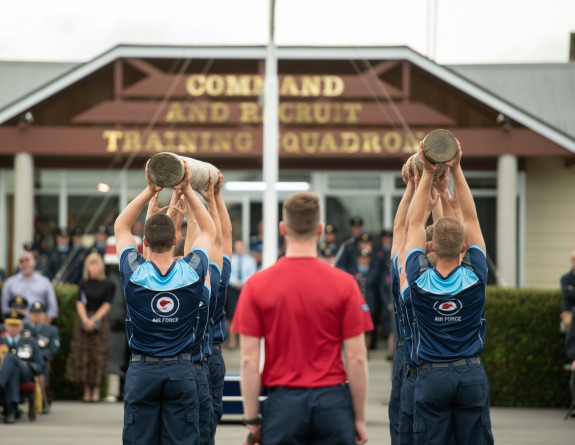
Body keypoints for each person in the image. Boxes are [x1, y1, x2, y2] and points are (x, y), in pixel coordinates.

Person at [232, 192, 372, 445]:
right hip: (332, 404)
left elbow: (250, 360)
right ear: (319, 230)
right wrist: (359, 418)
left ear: (283, 229)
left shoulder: (256, 286)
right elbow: (357, 357)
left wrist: (252, 421)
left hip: (283, 406)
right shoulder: (345, 284)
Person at [399, 141, 494, 444]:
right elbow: (471, 218)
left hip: (433, 378)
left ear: (431, 248)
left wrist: (425, 174)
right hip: (470, 374)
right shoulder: (475, 275)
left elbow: (413, 223)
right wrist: (456, 168)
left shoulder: (418, 279)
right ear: (464, 248)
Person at [115, 161, 215, 444]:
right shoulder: (191, 271)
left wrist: (151, 190)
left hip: (142, 370)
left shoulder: (135, 271)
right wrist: (187, 189)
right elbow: (208, 232)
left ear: (144, 241)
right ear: (175, 239)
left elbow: (121, 225)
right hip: (181, 371)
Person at [65, 252, 114, 403]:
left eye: (96, 264)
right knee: (84, 355)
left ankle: (96, 391)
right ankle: (86, 390)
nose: (94, 267)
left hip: (100, 322)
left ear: (101, 266)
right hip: (83, 322)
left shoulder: (108, 284)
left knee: (98, 356)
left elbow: (107, 304)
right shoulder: (83, 284)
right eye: (91, 264)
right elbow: (80, 302)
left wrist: (94, 319)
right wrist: (86, 320)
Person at [0, 310, 45, 424]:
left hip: (25, 374)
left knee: (10, 358)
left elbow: (40, 367)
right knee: (13, 371)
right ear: (5, 325)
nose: (13, 328)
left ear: (21, 326)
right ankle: (11, 412)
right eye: (10, 325)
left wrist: (27, 365)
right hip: (8, 375)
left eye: (16, 325)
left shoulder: (30, 342)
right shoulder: (1, 341)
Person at [1, 251, 59, 324]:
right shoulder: (10, 283)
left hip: (39, 325)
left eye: (27, 260)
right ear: (18, 264)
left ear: (34, 262)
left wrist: (45, 327)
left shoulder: (45, 282)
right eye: (21, 261)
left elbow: (52, 307)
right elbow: (5, 308)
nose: (24, 264)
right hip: (16, 325)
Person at [26, 301, 60, 413]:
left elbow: (53, 349)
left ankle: (43, 400)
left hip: (41, 361)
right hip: (25, 361)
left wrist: (37, 356)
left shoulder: (51, 330)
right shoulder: (24, 329)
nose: (36, 316)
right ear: (29, 315)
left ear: (44, 315)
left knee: (41, 367)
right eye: (34, 313)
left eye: (39, 313)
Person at [225, 240, 257, 350]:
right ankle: (232, 341)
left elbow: (252, 273)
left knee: (247, 314)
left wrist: (242, 283)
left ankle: (246, 341)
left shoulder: (250, 260)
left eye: (241, 246)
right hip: (232, 289)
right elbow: (228, 273)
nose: (239, 248)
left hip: (246, 288)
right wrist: (236, 283)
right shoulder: (230, 259)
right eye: (237, 247)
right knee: (231, 315)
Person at [560, 250, 575, 332]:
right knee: (571, 325)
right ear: (571, 261)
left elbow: (571, 293)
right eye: (574, 259)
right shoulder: (565, 278)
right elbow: (566, 293)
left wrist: (572, 289)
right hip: (569, 311)